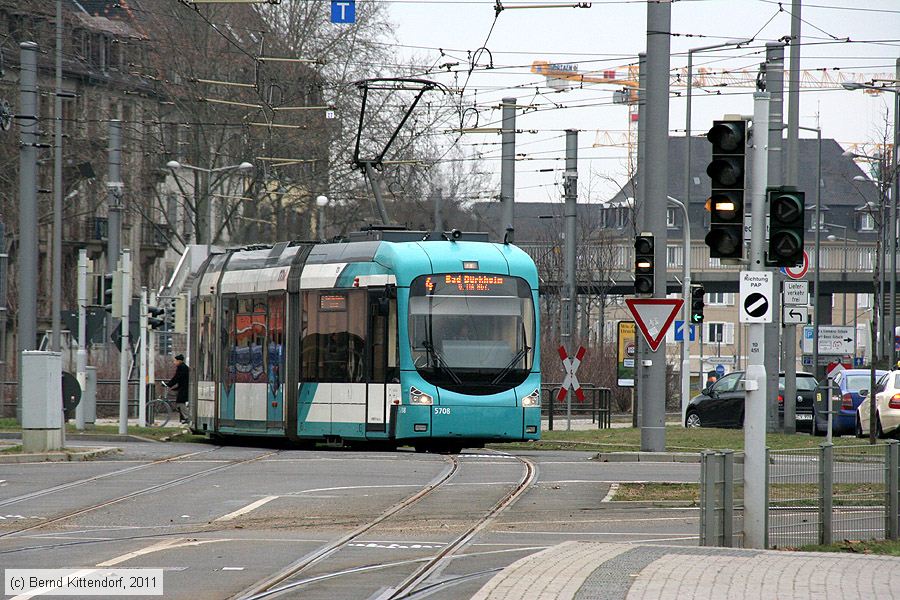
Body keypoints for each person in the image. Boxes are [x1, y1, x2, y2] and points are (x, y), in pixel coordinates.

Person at [165, 354, 191, 423]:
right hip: (184, 387)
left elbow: (176, 378)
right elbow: (179, 379)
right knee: (179, 402)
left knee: (180, 402)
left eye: (175, 361)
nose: (174, 362)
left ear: (179, 361)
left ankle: (187, 417)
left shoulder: (181, 368)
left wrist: (169, 384)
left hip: (184, 388)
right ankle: (185, 417)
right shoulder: (183, 367)